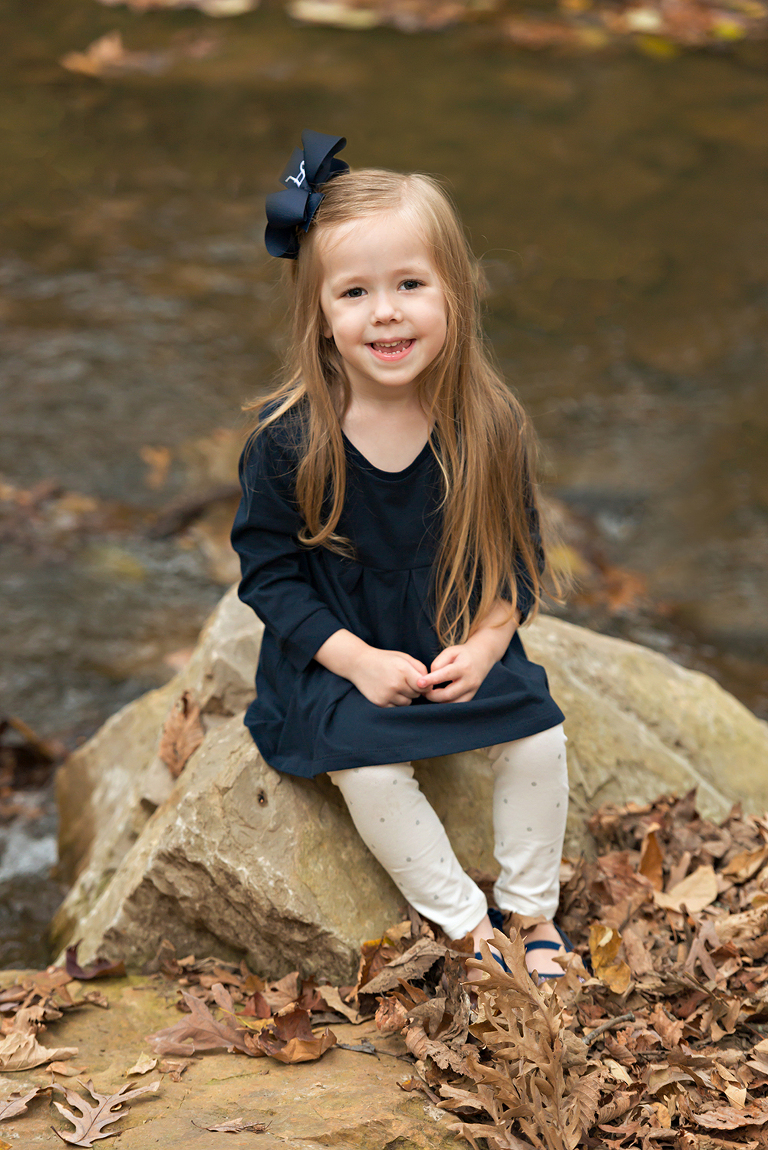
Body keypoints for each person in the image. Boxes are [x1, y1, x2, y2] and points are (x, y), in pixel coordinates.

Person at [231, 131, 573, 981]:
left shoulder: (486, 424)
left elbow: (517, 557)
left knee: (539, 738)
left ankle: (531, 911)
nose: (385, 312)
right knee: (369, 769)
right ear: (319, 317)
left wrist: (489, 644)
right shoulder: (290, 442)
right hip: (345, 655)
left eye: (410, 285)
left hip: (450, 629)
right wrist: (354, 661)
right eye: (355, 292)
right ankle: (465, 921)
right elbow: (268, 574)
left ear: (454, 293)